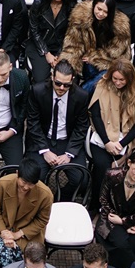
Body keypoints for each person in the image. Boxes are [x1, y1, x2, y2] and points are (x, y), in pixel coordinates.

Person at [86, 58, 135, 196]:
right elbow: (95, 114)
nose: (117, 82)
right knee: (102, 168)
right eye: (115, 78)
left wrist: (122, 144)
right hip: (103, 136)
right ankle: (96, 203)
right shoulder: (102, 85)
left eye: (121, 80)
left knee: (125, 169)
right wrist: (107, 142)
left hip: (126, 140)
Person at [27, 61, 90, 202]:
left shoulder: (81, 96)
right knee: (33, 178)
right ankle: (40, 203)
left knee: (82, 180)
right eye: (58, 83)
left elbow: (81, 127)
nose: (61, 88)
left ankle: (58, 200)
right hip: (43, 139)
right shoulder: (37, 91)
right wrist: (44, 150)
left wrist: (69, 153)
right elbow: (33, 124)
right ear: (52, 76)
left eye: (66, 85)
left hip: (67, 141)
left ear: (72, 80)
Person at [0, 157, 54, 268]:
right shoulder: (2, 184)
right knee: (2, 252)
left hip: (27, 233)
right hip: (1, 226)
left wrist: (19, 234)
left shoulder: (45, 195)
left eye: (31, 184)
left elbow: (42, 220)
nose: (26, 187)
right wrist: (3, 231)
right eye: (23, 182)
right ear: (17, 174)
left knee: (10, 256)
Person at [93, 150, 135, 268]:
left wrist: (124, 222)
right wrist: (118, 221)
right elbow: (103, 200)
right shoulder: (112, 175)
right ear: (129, 163)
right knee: (122, 245)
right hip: (111, 219)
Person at [58, 0, 131, 91]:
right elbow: (73, 44)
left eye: (105, 12)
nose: (101, 14)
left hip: (110, 62)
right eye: (99, 9)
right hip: (85, 57)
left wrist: (95, 57)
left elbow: (117, 52)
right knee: (84, 69)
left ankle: (81, 94)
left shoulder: (120, 26)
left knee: (98, 77)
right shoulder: (81, 17)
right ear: (94, 6)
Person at [23, 0, 75, 82]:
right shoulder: (39, 3)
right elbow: (34, 30)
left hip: (61, 46)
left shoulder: (70, 6)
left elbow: (70, 33)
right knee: (41, 79)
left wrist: (60, 54)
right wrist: (46, 53)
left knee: (67, 77)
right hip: (39, 45)